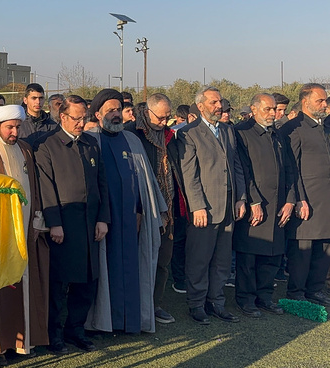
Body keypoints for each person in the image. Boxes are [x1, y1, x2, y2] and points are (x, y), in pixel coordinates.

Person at [85, 90, 167, 334]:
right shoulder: (90, 140)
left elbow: (146, 182)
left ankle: (131, 321)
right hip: (102, 222)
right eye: (110, 109)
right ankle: (102, 323)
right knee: (104, 271)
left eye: (118, 109)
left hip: (132, 221)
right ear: (98, 113)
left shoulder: (132, 141)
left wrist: (143, 211)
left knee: (133, 270)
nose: (116, 114)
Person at [0, 105, 49, 364]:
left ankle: (25, 341)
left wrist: (37, 218)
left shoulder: (26, 149)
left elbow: (35, 187)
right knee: (2, 286)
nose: (14, 131)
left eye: (17, 127)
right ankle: (0, 347)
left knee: (27, 282)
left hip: (27, 227)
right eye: (9, 127)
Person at [34, 95, 109, 354]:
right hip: (64, 227)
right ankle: (53, 334)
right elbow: (46, 188)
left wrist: (103, 218)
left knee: (87, 283)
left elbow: (102, 184)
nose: (80, 123)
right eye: (76, 118)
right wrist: (54, 223)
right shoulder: (47, 146)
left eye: (83, 118)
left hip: (90, 225)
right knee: (58, 285)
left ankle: (76, 330)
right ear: (62, 117)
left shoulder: (91, 144)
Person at [177, 86, 246, 324]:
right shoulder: (188, 133)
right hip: (204, 209)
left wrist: (240, 198)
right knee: (199, 259)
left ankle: (216, 302)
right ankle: (196, 304)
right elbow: (190, 174)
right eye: (214, 102)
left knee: (222, 260)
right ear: (201, 105)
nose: (219, 106)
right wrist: (197, 206)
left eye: (220, 102)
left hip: (228, 206)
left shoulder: (227, 130)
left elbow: (236, 165)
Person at [124, 93, 183, 325]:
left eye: (168, 117)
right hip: (141, 209)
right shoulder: (130, 134)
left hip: (167, 208)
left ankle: (155, 304)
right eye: (161, 117)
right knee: (138, 260)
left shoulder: (170, 136)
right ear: (147, 112)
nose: (164, 121)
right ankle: (134, 306)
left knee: (162, 261)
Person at [233, 93, 295, 316]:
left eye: (274, 109)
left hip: (278, 205)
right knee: (249, 256)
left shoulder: (277, 134)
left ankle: (265, 296)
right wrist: (254, 201)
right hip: (255, 206)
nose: (273, 114)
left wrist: (290, 200)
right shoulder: (241, 132)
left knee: (272, 256)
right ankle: (246, 299)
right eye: (268, 109)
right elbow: (243, 171)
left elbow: (289, 169)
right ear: (254, 109)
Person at [279, 83, 330, 307]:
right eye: (320, 100)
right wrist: (299, 198)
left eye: (325, 100)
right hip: (306, 198)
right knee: (303, 248)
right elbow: (291, 167)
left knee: (324, 246)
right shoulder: (294, 128)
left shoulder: (324, 127)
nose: (325, 104)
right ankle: (297, 291)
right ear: (305, 102)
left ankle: (316, 289)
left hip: (325, 198)